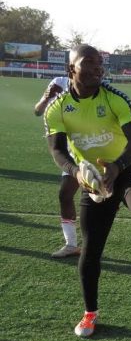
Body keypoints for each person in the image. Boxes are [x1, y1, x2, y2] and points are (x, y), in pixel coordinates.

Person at [44, 44, 131, 338]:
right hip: (94, 180)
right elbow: (57, 150)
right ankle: (89, 314)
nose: (98, 67)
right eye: (89, 62)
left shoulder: (115, 99)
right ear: (72, 69)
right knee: (91, 247)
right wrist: (77, 172)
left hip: (128, 168)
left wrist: (117, 166)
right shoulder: (57, 109)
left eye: (100, 62)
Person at [34, 76, 81, 258]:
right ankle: (71, 244)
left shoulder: (97, 84)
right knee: (65, 194)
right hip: (71, 150)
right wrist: (47, 97)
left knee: (98, 199)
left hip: (96, 146)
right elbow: (38, 111)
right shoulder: (59, 82)